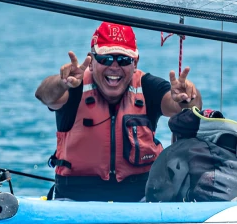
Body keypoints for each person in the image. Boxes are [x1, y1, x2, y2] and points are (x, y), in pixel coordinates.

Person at [36, 21, 201, 201]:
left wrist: (186, 97)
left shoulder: (147, 86)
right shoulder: (73, 86)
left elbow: (184, 107)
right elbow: (45, 96)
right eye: (105, 59)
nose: (114, 66)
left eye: (123, 60)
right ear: (91, 61)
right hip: (74, 197)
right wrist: (61, 83)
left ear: (135, 62)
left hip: (140, 198)